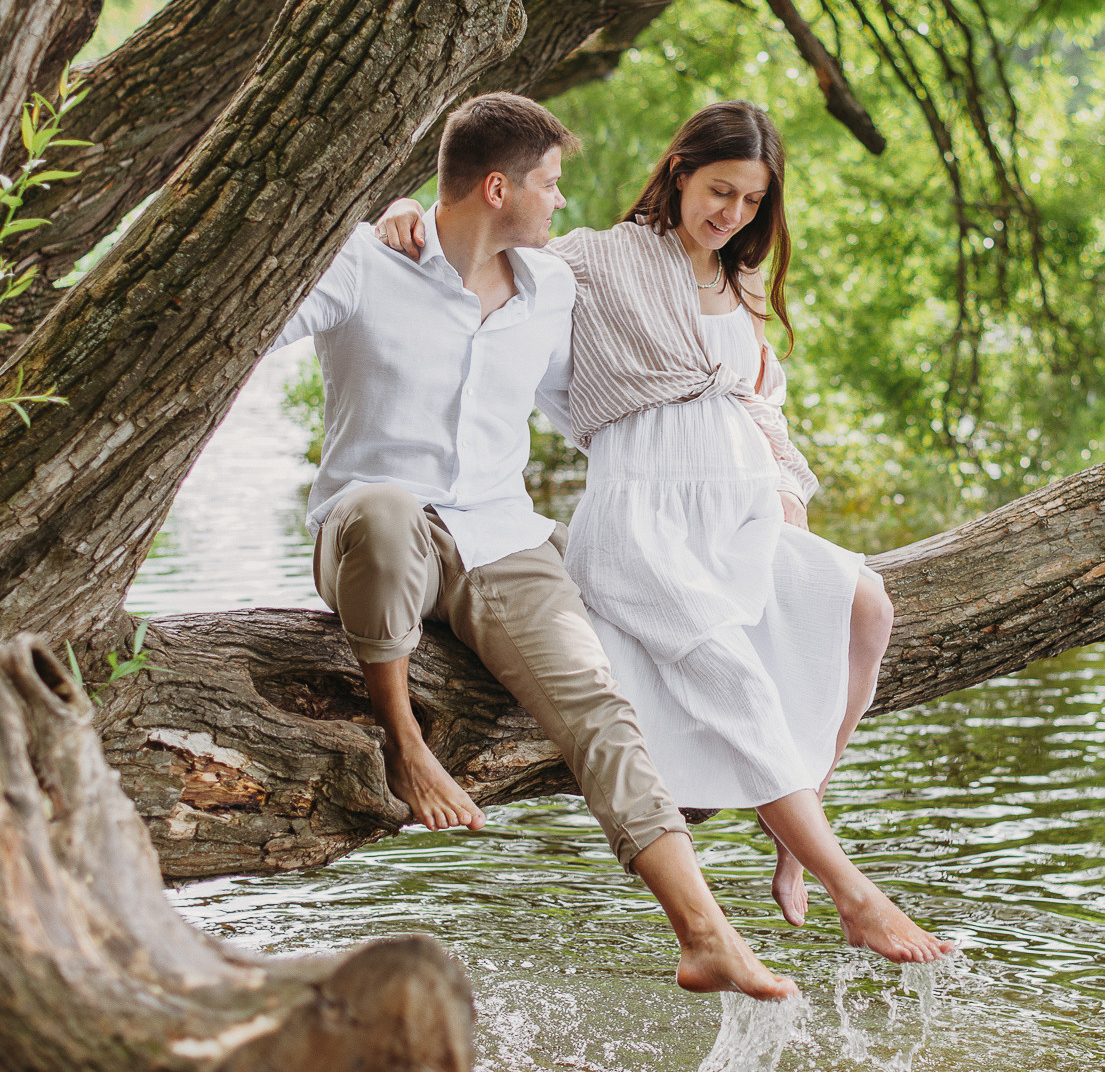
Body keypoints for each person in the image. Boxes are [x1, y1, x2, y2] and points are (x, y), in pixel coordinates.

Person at [375, 101, 953, 965]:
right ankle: (854, 892)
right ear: (680, 171)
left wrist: (789, 490)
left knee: (866, 608)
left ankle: (796, 837)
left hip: (742, 513)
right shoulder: (594, 261)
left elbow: (764, 405)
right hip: (643, 518)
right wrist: (409, 209)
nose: (732, 215)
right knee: (736, 678)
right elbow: (484, 239)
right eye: (721, 191)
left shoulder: (741, 283)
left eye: (753, 203)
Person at [274, 91, 793, 1000]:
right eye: (550, 184)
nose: (562, 201)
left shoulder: (552, 286)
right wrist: (394, 207)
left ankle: (706, 933)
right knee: (391, 509)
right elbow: (248, 328)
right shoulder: (365, 264)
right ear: (497, 187)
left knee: (600, 700)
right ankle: (404, 741)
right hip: (370, 531)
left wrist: (729, 490)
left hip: (501, 539)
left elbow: (621, 391)